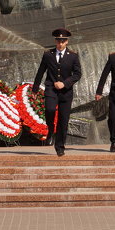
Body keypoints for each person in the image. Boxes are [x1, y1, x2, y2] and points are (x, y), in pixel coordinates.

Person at [33, 28, 81, 156]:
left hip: (66, 91)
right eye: (58, 40)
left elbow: (77, 74)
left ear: (67, 42)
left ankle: (60, 146)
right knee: (49, 110)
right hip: (51, 89)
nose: (60, 43)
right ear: (55, 41)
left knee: (63, 120)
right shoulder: (48, 54)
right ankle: (50, 129)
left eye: (63, 41)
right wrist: (35, 88)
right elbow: (41, 71)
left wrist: (65, 83)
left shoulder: (73, 56)